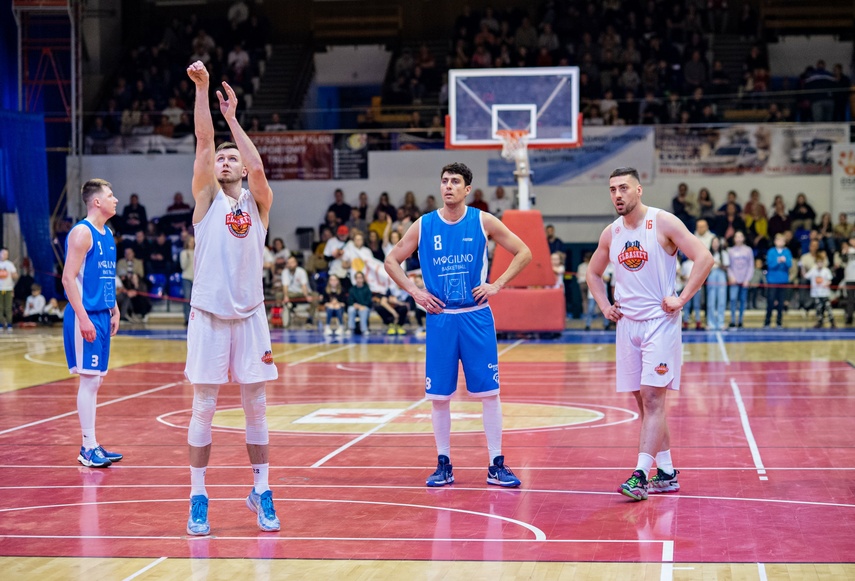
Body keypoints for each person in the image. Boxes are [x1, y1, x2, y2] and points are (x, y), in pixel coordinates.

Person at [384, 162, 533, 488]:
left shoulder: (482, 221)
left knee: (490, 394)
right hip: (440, 319)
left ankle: (496, 463)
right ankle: (443, 463)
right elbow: (391, 260)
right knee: (439, 397)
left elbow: (524, 252)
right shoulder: (423, 225)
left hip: (476, 316)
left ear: (467, 189)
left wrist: (497, 284)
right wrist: (415, 292)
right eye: (445, 181)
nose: (448, 186)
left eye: (455, 182)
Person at [184, 61, 280, 536]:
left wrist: (234, 120)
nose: (224, 161)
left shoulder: (259, 202)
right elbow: (203, 143)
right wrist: (203, 92)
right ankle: (198, 496)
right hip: (208, 316)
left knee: (256, 407)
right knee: (203, 407)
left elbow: (259, 167)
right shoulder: (206, 200)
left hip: (250, 317)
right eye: (221, 159)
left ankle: (261, 490)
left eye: (230, 158)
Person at [586, 167, 713, 501]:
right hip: (627, 326)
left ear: (639, 190)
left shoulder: (663, 222)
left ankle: (640, 475)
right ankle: (667, 472)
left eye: (624, 188)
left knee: (654, 399)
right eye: (612, 189)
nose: (617, 194)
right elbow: (593, 273)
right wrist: (604, 306)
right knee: (645, 405)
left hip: (660, 321)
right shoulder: (611, 233)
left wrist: (682, 297)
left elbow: (705, 257)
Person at [61, 179, 122, 469]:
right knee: (88, 380)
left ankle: (93, 443)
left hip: (101, 313)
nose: (116, 200)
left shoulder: (107, 233)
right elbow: (67, 278)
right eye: (111, 196)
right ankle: (87, 448)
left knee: (95, 380)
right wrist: (83, 318)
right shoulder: (82, 233)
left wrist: (115, 308)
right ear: (96, 201)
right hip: (84, 315)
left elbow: (105, 276)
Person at [727, 231, 755, 329]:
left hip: (744, 280)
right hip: (734, 280)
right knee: (733, 299)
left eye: (740, 236)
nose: (738, 238)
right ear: (734, 238)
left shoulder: (748, 250)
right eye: (736, 236)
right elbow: (728, 266)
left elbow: (751, 266)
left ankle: (740, 320)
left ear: (743, 238)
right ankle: (733, 320)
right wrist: (731, 277)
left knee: (743, 301)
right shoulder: (730, 251)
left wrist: (747, 279)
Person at [764, 233, 793, 328]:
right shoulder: (771, 251)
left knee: (781, 302)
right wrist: (778, 261)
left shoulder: (787, 251)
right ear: (775, 241)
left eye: (782, 240)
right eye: (779, 240)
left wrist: (784, 261)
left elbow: (789, 264)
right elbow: (770, 265)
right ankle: (767, 321)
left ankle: (779, 322)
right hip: (772, 280)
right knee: (771, 301)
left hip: (783, 280)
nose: (781, 242)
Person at [0, 248, 18, 333]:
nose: (5, 255)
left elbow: (15, 276)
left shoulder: (10, 265)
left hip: (8, 289)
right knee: (0, 307)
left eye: (6, 254)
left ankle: (9, 324)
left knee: (8, 307)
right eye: (3, 253)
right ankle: (1, 324)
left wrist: (14, 274)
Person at [179, 235, 195, 325]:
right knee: (187, 298)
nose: (192, 243)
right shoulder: (184, 253)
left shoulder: (197, 252)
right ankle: (186, 318)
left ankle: (194, 319)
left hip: (196, 279)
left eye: (193, 241)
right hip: (186, 278)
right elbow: (183, 266)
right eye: (190, 241)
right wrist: (188, 258)